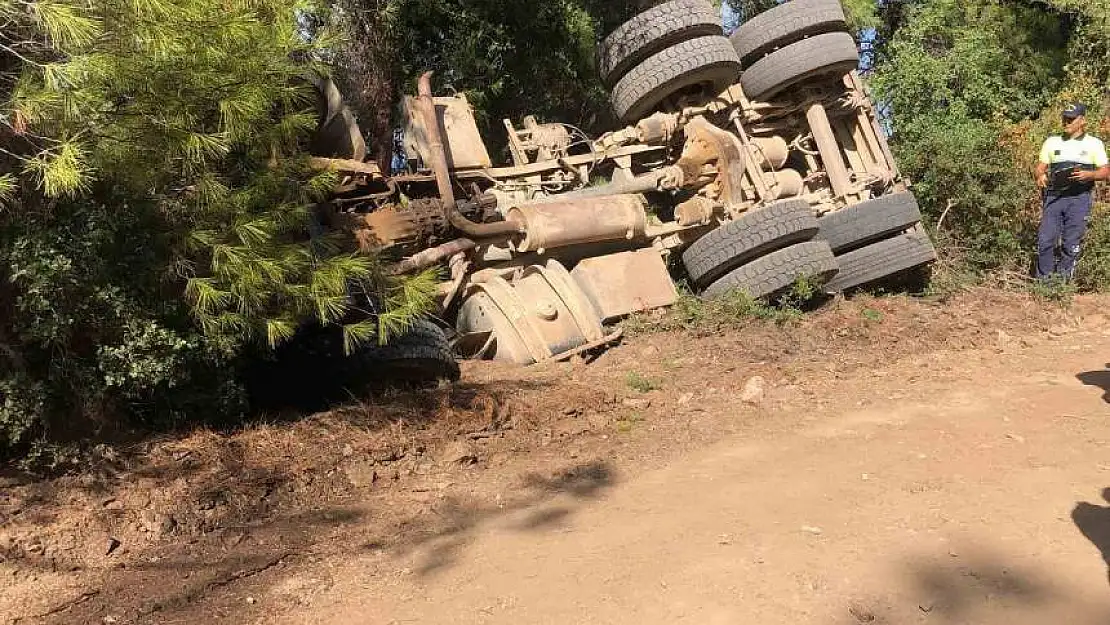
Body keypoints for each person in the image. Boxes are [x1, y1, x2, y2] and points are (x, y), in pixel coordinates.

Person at [1034, 103, 1110, 280]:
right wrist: (1040, 176)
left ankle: (1062, 284)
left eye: (1071, 118)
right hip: (1054, 198)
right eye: (1064, 118)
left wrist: (1089, 175)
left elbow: (1106, 172)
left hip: (1079, 199)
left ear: (1082, 120)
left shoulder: (1094, 144)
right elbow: (1039, 168)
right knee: (1045, 240)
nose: (1066, 122)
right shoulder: (1052, 142)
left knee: (1071, 244)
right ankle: (1043, 283)